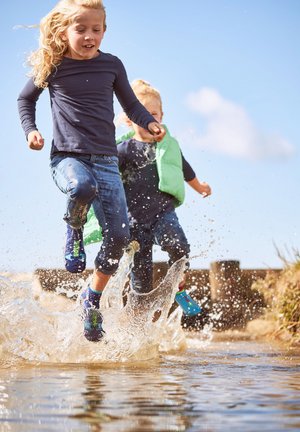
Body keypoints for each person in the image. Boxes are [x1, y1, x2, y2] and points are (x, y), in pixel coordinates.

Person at [17, 1, 165, 343]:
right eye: (80, 29)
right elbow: (25, 100)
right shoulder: (52, 66)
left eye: (95, 30)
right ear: (63, 31)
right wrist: (31, 130)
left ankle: (91, 299)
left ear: (104, 31)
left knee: (118, 236)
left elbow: (131, 105)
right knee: (82, 188)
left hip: (107, 161)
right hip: (67, 157)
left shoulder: (112, 66)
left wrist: (149, 122)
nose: (88, 36)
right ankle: (74, 229)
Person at [85, 79, 212, 316]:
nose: (148, 120)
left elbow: (184, 169)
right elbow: (104, 173)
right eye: (141, 115)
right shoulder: (122, 150)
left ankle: (179, 286)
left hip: (162, 213)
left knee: (179, 245)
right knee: (141, 282)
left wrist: (200, 186)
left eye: (152, 114)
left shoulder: (169, 147)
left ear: (161, 116)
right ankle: (137, 321)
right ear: (129, 119)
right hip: (133, 224)